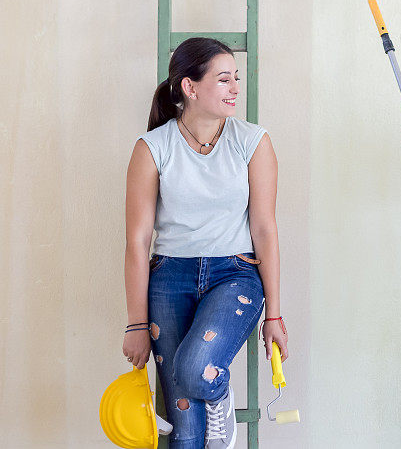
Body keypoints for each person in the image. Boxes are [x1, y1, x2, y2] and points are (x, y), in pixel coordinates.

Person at [121, 37, 288, 449]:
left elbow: (265, 228)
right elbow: (137, 241)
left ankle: (218, 399)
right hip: (168, 279)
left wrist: (275, 315)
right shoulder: (152, 148)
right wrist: (136, 323)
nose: (235, 88)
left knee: (198, 371)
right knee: (187, 432)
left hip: (234, 275)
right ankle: (207, 418)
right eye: (224, 79)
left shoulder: (253, 142)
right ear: (189, 88)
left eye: (237, 79)